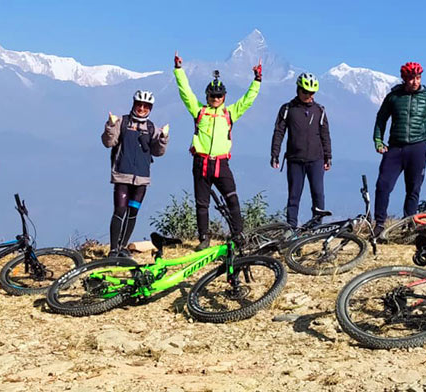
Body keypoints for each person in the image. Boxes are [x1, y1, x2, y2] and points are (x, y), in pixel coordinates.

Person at [174, 53, 261, 249]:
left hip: (221, 163)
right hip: (201, 162)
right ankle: (204, 238)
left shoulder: (229, 113)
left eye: (219, 96)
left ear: (224, 97)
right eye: (212, 96)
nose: (215, 98)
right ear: (207, 96)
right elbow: (185, 92)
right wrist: (178, 70)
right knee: (201, 203)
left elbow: (247, 101)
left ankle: (238, 235)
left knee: (232, 198)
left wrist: (257, 81)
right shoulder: (199, 111)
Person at [372, 62, 426, 239]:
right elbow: (381, 119)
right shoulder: (393, 97)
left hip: (418, 147)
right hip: (395, 148)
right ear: (404, 79)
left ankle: (409, 225)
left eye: (418, 78)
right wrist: (377, 140)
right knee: (383, 185)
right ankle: (379, 225)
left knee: (413, 189)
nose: (415, 82)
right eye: (412, 78)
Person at [101, 90, 169, 256]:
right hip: (122, 175)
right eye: (139, 104)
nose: (142, 108)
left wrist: (163, 139)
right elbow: (108, 142)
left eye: (146, 106)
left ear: (150, 108)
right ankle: (113, 249)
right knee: (119, 211)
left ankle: (123, 247)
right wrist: (110, 126)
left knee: (133, 213)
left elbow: (158, 152)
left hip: (142, 179)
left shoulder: (151, 127)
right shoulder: (122, 122)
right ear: (134, 104)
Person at [270, 73, 333, 229]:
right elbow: (279, 132)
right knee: (294, 196)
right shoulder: (287, 109)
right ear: (298, 89)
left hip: (316, 159)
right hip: (294, 160)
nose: (308, 95)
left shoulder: (320, 110)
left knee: (318, 194)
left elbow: (325, 135)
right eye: (305, 92)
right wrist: (275, 154)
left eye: (312, 93)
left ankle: (316, 226)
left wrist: (328, 157)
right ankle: (291, 227)